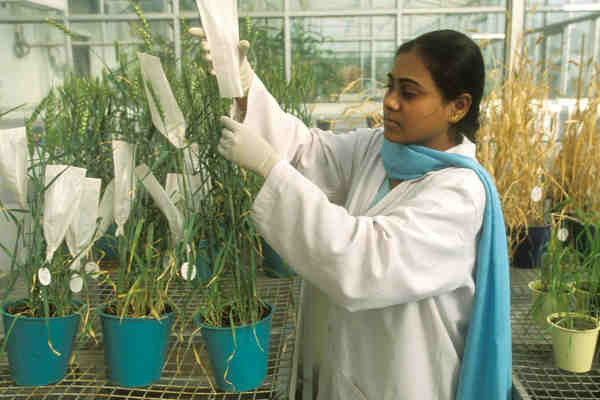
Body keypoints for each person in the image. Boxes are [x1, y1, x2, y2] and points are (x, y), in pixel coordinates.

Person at [190, 28, 512, 400]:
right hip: (350, 368)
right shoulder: (380, 148)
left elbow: (365, 261)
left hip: (408, 381)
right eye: (390, 87)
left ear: (457, 106)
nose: (390, 102)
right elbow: (307, 151)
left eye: (409, 92)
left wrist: (268, 166)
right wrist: (245, 85)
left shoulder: (460, 195)